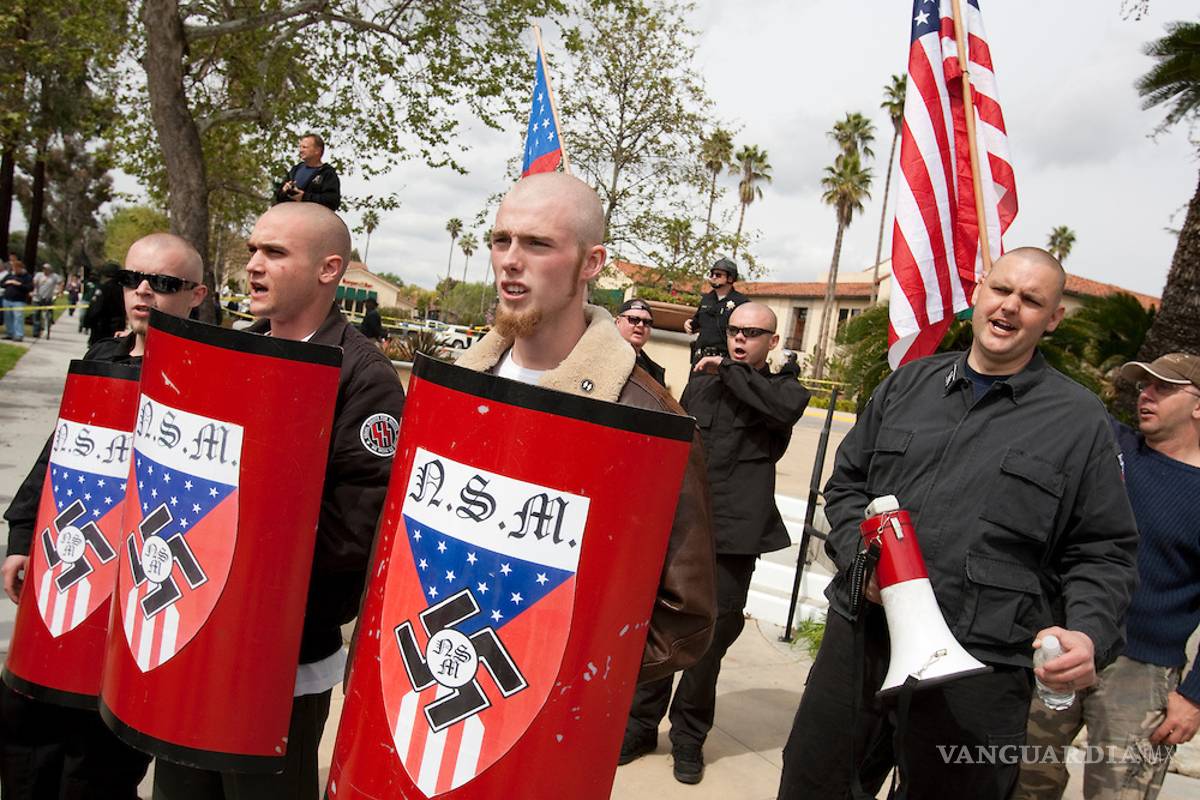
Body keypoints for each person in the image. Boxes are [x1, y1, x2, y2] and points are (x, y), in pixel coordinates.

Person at [777, 247, 1140, 800]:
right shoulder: (906, 387)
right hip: (862, 643)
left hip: (980, 671)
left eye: (1032, 300)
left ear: (1053, 318)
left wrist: (1087, 631)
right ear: (977, 293)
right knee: (813, 785)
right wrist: (861, 559)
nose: (1010, 307)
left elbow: (1104, 550)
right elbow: (848, 488)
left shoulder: (1079, 422)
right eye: (1001, 290)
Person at [151, 202, 404, 800]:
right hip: (191, 635)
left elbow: (354, 532)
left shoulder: (365, 379)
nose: (254, 266)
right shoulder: (231, 351)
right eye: (253, 251)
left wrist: (261, 611)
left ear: (329, 269)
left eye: (275, 253)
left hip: (279, 663)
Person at [456, 171, 716, 683]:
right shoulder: (451, 387)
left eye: (537, 243)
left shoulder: (648, 417)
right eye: (501, 240)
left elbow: (685, 618)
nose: (510, 258)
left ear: (590, 263)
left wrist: (572, 677)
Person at [1, 233, 208, 799]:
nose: (143, 291)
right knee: (23, 737)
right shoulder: (103, 357)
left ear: (196, 295)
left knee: (92, 772)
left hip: (134, 605)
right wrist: (22, 534)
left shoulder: (208, 382)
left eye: (163, 283)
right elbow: (59, 450)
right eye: (131, 278)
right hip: (66, 582)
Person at [620, 301, 809, 784]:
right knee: (661, 628)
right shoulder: (702, 380)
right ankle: (640, 727)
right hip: (683, 529)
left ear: (772, 341)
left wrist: (727, 368)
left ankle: (688, 738)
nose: (740, 338)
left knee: (709, 643)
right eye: (734, 331)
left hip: (734, 536)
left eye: (752, 332)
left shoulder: (783, 390)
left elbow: (781, 410)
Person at [1014, 352, 1200, 800]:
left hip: (1143, 672)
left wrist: (1193, 697)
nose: (1146, 395)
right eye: (1143, 386)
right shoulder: (1108, 448)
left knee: (1119, 793)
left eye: (1164, 387)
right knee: (1019, 780)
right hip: (1062, 646)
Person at [683, 257, 747, 362]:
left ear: (730, 278)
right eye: (711, 274)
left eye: (718, 275)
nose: (713, 277)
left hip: (724, 360)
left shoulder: (741, 302)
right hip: (700, 358)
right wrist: (689, 323)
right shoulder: (706, 299)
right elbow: (697, 321)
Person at [273, 133, 341, 212]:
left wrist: (304, 197)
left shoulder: (327, 173)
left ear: (317, 151)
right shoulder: (295, 170)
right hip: (290, 217)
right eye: (300, 147)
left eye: (305, 147)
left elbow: (332, 201)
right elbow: (278, 197)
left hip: (313, 220)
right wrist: (284, 190)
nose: (301, 150)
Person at [614, 297, 666, 386]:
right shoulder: (604, 356)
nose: (640, 325)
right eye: (633, 319)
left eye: (646, 322)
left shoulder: (655, 372)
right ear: (618, 322)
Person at [82, 262, 126, 346]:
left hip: (102, 329)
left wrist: (87, 322)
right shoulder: (123, 290)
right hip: (118, 329)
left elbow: (95, 309)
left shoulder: (104, 289)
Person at [3, 256, 33, 341]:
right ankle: (10, 333)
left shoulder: (27, 277)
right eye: (13, 269)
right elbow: (2, 284)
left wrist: (18, 284)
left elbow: (29, 288)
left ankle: (19, 335)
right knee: (8, 318)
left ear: (20, 268)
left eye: (16, 269)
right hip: (7, 299)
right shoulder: (10, 275)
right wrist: (8, 282)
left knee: (18, 318)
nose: (14, 270)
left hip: (19, 301)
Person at [30, 263, 62, 339]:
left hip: (48, 298)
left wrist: (59, 292)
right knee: (36, 315)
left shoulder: (54, 276)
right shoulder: (39, 275)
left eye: (47, 269)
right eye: (44, 269)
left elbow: (60, 283)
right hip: (37, 298)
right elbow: (34, 282)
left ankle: (47, 330)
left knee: (48, 316)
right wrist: (34, 288)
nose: (45, 270)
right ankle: (36, 332)